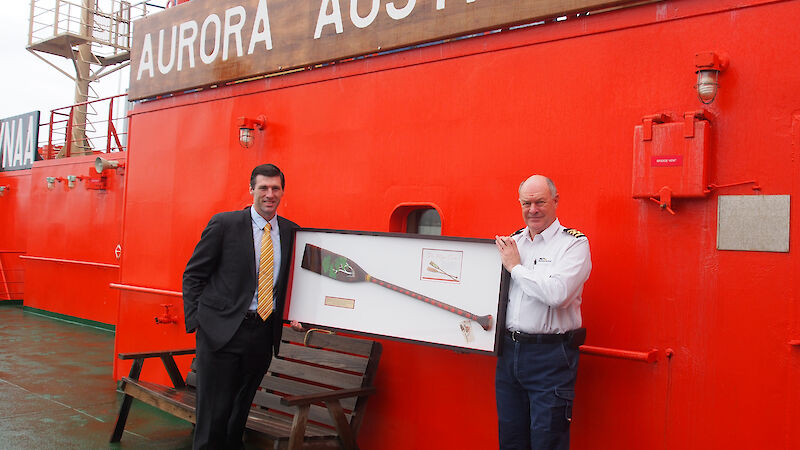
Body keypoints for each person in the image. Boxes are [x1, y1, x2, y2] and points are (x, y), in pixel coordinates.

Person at [183, 163, 301, 449]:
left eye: (275, 188)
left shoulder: (291, 232)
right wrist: (199, 322)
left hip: (262, 334)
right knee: (213, 414)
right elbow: (194, 275)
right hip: (221, 333)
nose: (269, 194)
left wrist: (297, 314)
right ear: (251, 190)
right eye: (263, 188)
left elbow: (292, 282)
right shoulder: (224, 224)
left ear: (282, 191)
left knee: (240, 411)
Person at [494, 174, 592, 450]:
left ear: (555, 201)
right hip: (509, 353)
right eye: (527, 203)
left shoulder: (573, 245)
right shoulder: (514, 243)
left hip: (550, 357)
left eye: (540, 202)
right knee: (511, 438)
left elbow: (557, 295)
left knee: (547, 439)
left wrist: (516, 268)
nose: (533, 210)